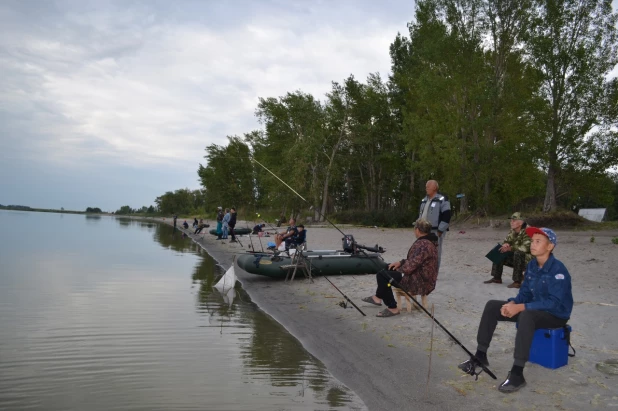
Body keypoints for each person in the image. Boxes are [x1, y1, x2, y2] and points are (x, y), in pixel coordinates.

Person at [457, 227, 573, 393]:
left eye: (538, 241)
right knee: (492, 306)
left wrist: (521, 307)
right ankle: (480, 356)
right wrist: (512, 304)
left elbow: (553, 303)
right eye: (532, 241)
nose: (533, 244)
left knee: (527, 316)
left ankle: (517, 374)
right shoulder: (532, 265)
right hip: (532, 310)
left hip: (556, 315)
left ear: (550, 246)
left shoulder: (558, 270)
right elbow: (525, 293)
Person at [362, 218, 439, 317]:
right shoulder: (428, 242)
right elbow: (415, 261)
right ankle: (377, 297)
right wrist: (400, 262)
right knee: (388, 268)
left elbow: (410, 266)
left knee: (382, 276)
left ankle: (392, 307)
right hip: (420, 276)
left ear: (417, 230)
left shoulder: (424, 245)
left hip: (419, 281)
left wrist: (398, 270)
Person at [483, 212, 532, 288]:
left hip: (529, 259)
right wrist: (505, 244)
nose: (511, 222)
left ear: (520, 222)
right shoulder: (513, 230)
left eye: (514, 220)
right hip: (518, 258)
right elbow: (507, 240)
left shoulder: (528, 230)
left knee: (518, 253)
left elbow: (526, 248)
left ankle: (517, 281)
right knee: (500, 249)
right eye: (511, 220)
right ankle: (497, 278)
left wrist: (511, 248)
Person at [418, 180, 450, 270]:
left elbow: (447, 215)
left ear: (435, 187)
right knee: (423, 250)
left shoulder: (442, 200)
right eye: (426, 186)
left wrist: (440, 230)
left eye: (428, 186)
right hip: (423, 230)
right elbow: (421, 214)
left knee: (435, 251)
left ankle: (434, 271)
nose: (426, 187)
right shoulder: (424, 200)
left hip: (436, 231)